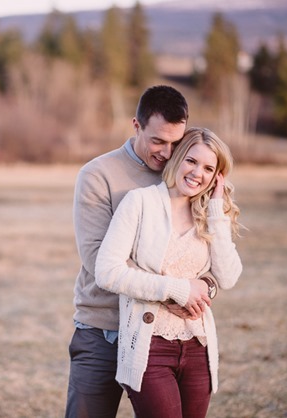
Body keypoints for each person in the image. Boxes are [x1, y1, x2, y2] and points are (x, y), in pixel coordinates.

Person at [66, 85, 210, 418]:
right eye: (158, 140)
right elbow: (99, 261)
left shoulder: (186, 175)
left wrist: (208, 286)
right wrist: (176, 291)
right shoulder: (98, 175)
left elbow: (203, 249)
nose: (167, 152)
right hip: (105, 330)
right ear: (136, 126)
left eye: (176, 142)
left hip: (162, 337)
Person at [94, 127, 243, 418]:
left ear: (216, 177)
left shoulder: (208, 214)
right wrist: (178, 289)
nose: (197, 173)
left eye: (208, 168)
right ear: (177, 158)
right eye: (191, 161)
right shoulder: (139, 203)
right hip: (149, 347)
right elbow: (107, 271)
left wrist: (216, 211)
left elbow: (227, 277)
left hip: (198, 347)